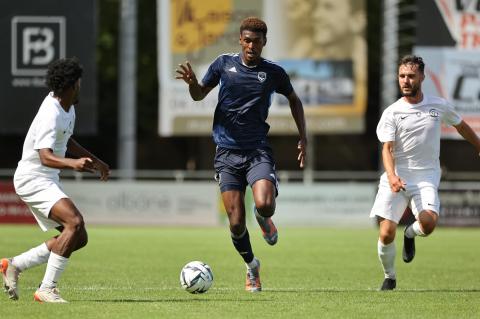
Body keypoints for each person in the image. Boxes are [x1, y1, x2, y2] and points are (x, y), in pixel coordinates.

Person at [175, 17, 307, 292]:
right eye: (247, 40)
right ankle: (251, 266)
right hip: (226, 153)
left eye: (256, 41)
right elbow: (199, 95)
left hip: (257, 149)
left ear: (264, 43)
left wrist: (302, 137)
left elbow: (294, 99)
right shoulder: (223, 64)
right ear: (240, 40)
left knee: (265, 205)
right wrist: (191, 83)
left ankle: (263, 217)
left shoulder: (273, 72)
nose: (251, 45)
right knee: (235, 223)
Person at [1, 57, 110, 303]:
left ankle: (14, 265)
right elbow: (45, 156)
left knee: (78, 237)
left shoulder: (67, 106)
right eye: (79, 83)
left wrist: (96, 161)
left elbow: (67, 141)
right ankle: (46, 289)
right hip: (33, 178)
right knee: (75, 221)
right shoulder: (51, 112)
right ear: (71, 86)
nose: (81, 86)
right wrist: (74, 164)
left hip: (46, 178)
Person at [370, 55, 480, 290]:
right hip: (397, 176)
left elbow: (461, 126)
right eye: (402, 76)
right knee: (387, 232)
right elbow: (387, 149)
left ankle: (410, 234)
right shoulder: (392, 112)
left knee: (428, 225)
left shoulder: (438, 105)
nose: (406, 81)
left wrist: (479, 146)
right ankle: (390, 277)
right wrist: (391, 176)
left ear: (422, 77)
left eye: (410, 76)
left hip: (426, 177)